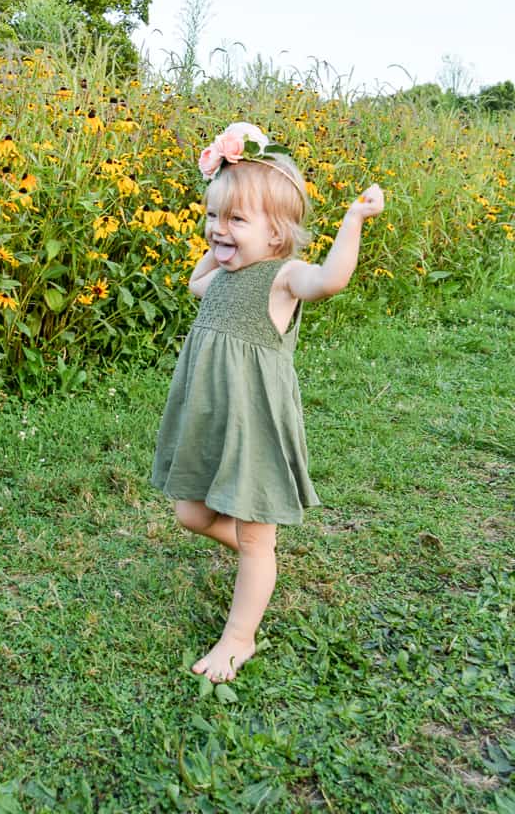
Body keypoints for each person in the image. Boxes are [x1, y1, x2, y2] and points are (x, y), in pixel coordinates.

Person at [151, 121, 384, 682]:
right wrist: (222, 245)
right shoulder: (225, 277)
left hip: (253, 420)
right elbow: (193, 283)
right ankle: (262, 555)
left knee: (254, 535)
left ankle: (240, 636)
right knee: (190, 512)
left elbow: (330, 280)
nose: (217, 228)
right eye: (212, 216)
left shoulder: (283, 276)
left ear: (279, 234)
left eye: (235, 219)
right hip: (211, 417)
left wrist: (353, 220)